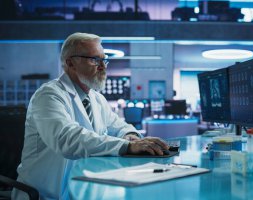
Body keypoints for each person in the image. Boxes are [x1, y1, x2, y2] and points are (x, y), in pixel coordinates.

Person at [12, 32, 169, 200]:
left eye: (104, 59)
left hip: (82, 189)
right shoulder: (48, 95)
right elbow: (67, 139)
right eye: (94, 60)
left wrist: (130, 136)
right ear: (70, 63)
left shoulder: (96, 98)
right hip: (44, 194)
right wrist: (127, 146)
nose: (103, 66)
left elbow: (119, 126)